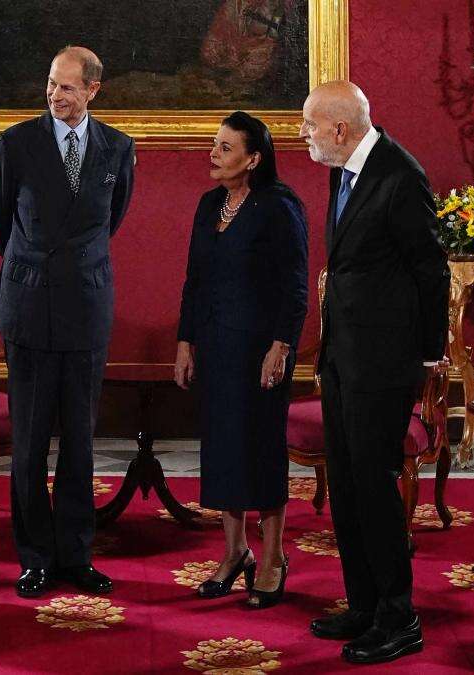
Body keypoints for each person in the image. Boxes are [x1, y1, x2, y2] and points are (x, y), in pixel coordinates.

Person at [299, 81, 449, 664]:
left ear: (340, 128)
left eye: (310, 125)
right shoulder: (344, 168)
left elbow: (431, 271)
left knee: (374, 489)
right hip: (344, 358)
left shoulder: (400, 176)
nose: (303, 134)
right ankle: (362, 604)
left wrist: (430, 356)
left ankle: (398, 616)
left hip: (384, 364)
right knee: (347, 484)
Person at [0, 46, 136, 598]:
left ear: (93, 90)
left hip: (86, 308)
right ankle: (35, 558)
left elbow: (110, 220)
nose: (55, 95)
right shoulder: (16, 143)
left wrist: (72, 269)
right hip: (28, 306)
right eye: (51, 84)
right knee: (27, 444)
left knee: (79, 442)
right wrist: (34, 270)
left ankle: (75, 555)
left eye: (67, 87)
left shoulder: (118, 149)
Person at [174, 111, 308, 609]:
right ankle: (235, 553)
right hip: (215, 347)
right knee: (224, 449)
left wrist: (281, 346)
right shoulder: (209, 204)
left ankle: (272, 559)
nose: (214, 153)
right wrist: (185, 342)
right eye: (215, 144)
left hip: (261, 351)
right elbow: (194, 279)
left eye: (226, 148)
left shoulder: (279, 206)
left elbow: (296, 286)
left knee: (262, 449)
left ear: (253, 159)